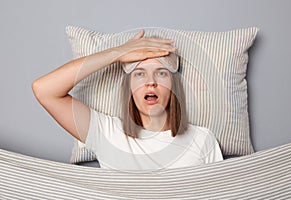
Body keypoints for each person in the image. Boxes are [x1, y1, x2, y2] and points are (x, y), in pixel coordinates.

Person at [32, 29, 223, 171]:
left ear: (174, 86)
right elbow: (44, 90)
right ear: (129, 88)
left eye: (161, 73)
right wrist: (117, 53)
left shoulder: (202, 139)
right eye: (140, 74)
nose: (151, 82)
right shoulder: (106, 133)